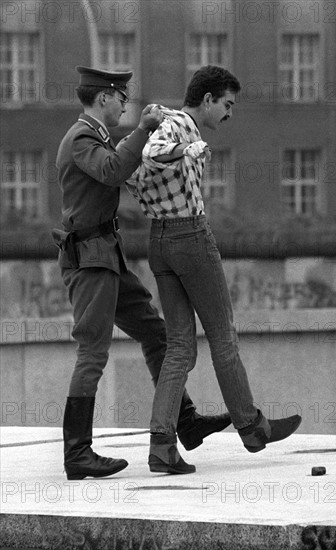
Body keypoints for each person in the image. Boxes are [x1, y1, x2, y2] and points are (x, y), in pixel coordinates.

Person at [52, 65, 231, 481]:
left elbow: (126, 169)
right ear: (103, 98)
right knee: (93, 352)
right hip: (89, 259)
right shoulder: (81, 137)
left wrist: (157, 143)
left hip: (106, 255)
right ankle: (77, 453)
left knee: (156, 334)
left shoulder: (96, 136)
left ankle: (184, 421)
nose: (124, 104)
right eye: (121, 97)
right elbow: (113, 170)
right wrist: (144, 129)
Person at [125, 65, 302, 475]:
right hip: (190, 237)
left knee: (180, 347)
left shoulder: (160, 123)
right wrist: (188, 151)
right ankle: (252, 426)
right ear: (207, 100)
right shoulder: (181, 128)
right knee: (223, 336)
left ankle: (162, 444)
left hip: (160, 241)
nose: (229, 113)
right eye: (227, 104)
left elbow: (136, 173)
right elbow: (152, 154)